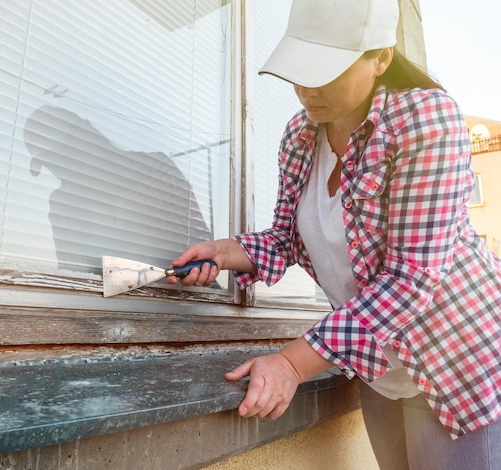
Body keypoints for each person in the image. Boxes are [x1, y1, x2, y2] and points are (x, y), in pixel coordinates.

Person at [167, 0, 501, 468]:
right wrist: (227, 252)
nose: (307, 87)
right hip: (378, 368)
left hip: (453, 361)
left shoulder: (425, 120)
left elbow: (413, 276)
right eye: (300, 67)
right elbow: (287, 240)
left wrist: (291, 364)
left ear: (381, 58)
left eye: (326, 70)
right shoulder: (300, 137)